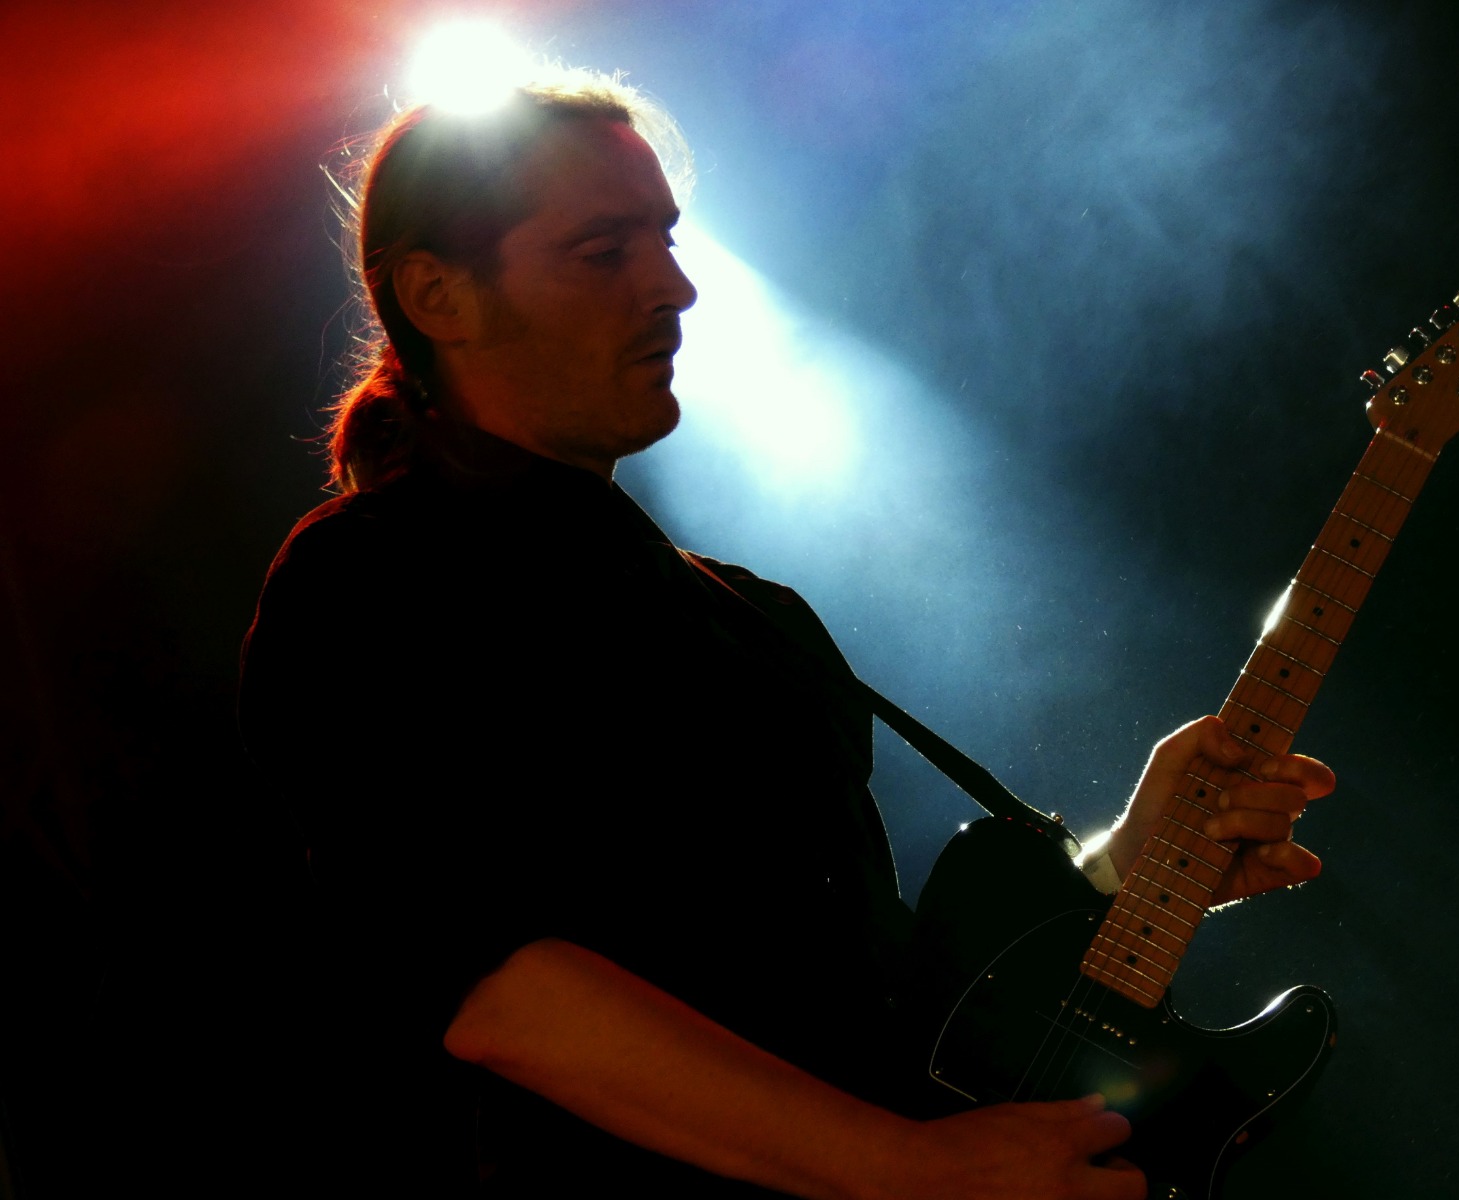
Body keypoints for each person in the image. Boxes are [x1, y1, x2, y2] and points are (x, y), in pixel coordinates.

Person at [238, 71, 1335, 1199]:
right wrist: (905, 1166)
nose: (674, 287)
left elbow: (877, 992)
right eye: (603, 252)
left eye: (667, 240)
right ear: (438, 295)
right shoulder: (366, 577)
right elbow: (491, 983)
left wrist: (1132, 863)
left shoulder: (753, 613)